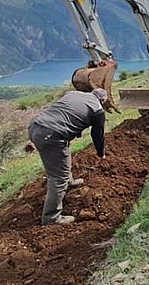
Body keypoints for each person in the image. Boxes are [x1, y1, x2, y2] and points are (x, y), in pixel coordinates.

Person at [28, 87, 107, 225]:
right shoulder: (97, 110)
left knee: (62, 156)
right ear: (102, 100)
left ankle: (69, 182)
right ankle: (51, 218)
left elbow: (64, 112)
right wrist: (101, 153)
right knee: (58, 177)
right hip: (51, 135)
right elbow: (97, 134)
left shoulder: (73, 94)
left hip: (35, 126)